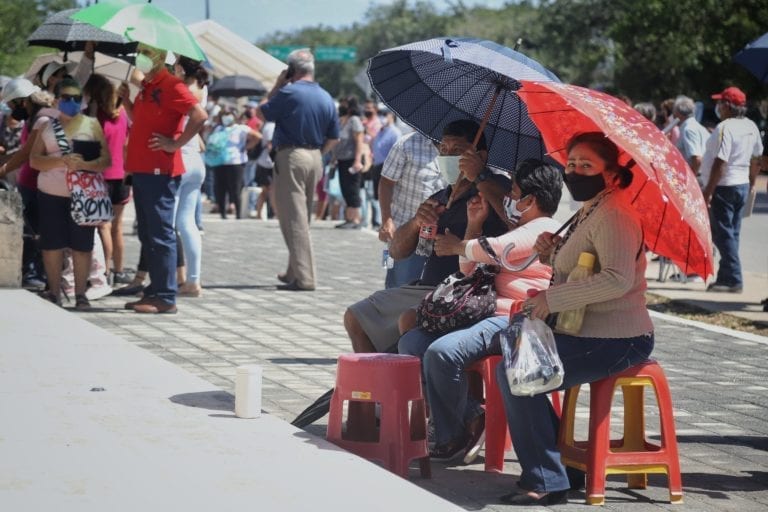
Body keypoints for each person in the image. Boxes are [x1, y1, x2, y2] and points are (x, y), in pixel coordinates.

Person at [495, 132, 654, 506]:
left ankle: (549, 479)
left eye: (587, 165)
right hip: (585, 329)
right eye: (571, 164)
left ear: (611, 174)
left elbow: (617, 278)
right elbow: (583, 268)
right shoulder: (592, 208)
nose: (575, 171)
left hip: (617, 336)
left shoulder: (615, 213)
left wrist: (554, 297)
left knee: (520, 373)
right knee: (515, 364)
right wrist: (552, 254)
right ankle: (561, 467)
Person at [398, 159, 563, 463]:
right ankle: (472, 415)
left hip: (512, 318)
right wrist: (474, 224)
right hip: (483, 310)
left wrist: (456, 246)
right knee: (411, 342)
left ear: (531, 199)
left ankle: (450, 435)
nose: (508, 199)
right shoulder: (523, 227)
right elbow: (470, 268)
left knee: (442, 352)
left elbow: (496, 247)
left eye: (513, 192)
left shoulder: (544, 229)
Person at [344, 120, 510, 354]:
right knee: (356, 317)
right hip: (427, 288)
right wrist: (415, 223)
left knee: (409, 321)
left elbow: (511, 214)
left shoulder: (494, 187)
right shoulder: (440, 197)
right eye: (443, 150)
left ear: (479, 155)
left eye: (457, 151)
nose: (448, 156)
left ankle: (413, 383)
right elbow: (396, 252)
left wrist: (480, 176)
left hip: (466, 292)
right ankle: (380, 381)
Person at [117, 42, 207, 314]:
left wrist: (175, 143)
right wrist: (127, 102)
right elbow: (142, 121)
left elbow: (199, 115)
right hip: (143, 168)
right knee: (148, 232)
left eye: (145, 53)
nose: (140, 58)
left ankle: (166, 296)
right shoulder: (148, 85)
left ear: (157, 57)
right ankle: (155, 290)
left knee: (160, 233)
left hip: (159, 170)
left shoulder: (170, 84)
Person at [257, 48, 340, 291]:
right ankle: (294, 270)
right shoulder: (326, 96)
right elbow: (334, 137)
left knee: (292, 219)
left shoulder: (288, 92)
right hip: (316, 156)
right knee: (302, 216)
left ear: (292, 70)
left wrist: (276, 84)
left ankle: (305, 278)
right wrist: (317, 154)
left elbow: (262, 112)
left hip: (292, 155)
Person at [29, 78, 111, 310]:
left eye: (77, 98)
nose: (72, 102)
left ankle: (81, 295)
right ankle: (54, 292)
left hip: (83, 196)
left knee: (82, 246)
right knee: (52, 244)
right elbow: (34, 160)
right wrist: (59, 160)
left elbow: (106, 161)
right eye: (66, 98)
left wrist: (87, 164)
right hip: (51, 193)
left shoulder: (92, 126)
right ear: (57, 100)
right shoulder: (45, 126)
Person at [700, 87, 763, 294]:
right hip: (741, 184)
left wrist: (708, 191)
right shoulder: (752, 126)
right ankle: (725, 277)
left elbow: (721, 162)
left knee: (722, 234)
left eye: (720, 103)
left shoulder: (725, 127)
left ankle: (734, 277)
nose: (718, 107)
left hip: (724, 186)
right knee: (732, 233)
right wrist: (752, 182)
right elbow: (756, 159)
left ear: (727, 106)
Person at [0, 78, 56, 288]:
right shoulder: (35, 118)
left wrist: (3, 171)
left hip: (37, 184)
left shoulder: (42, 119)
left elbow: (25, 154)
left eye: (13, 105)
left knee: (33, 231)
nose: (12, 110)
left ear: (23, 101)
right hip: (31, 181)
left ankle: (35, 274)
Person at [82, 74, 131, 286]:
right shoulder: (122, 115)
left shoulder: (92, 117)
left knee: (101, 227)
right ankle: (118, 271)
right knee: (116, 227)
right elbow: (127, 144)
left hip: (100, 176)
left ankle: (103, 272)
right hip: (121, 176)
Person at [377, 130, 441, 288]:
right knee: (399, 288)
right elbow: (386, 182)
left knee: (429, 292)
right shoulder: (406, 145)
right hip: (405, 233)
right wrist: (386, 219)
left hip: (440, 236)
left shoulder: (463, 148)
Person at [173, 55, 209, 297]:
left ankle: (168, 278)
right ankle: (193, 280)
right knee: (188, 224)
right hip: (196, 159)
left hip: (180, 157)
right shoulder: (203, 88)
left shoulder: (181, 89)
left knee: (172, 224)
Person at [205, 107, 261, 219]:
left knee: (235, 189)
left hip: (236, 162)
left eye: (229, 114)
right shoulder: (218, 129)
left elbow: (257, 136)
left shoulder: (241, 128)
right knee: (220, 188)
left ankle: (238, 214)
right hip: (219, 161)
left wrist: (246, 147)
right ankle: (222, 213)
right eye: (224, 115)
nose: (226, 117)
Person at [332, 95, 365, 229]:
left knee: (352, 189)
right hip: (342, 160)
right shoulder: (342, 120)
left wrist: (357, 160)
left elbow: (359, 142)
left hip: (352, 160)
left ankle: (355, 219)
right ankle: (349, 217)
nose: (342, 106)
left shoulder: (355, 120)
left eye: (344, 103)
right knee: (345, 189)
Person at [673, 95, 711, 184]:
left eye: (674, 111)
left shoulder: (688, 129)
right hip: (701, 176)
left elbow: (697, 159)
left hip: (695, 179)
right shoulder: (697, 127)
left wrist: (690, 181)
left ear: (678, 113)